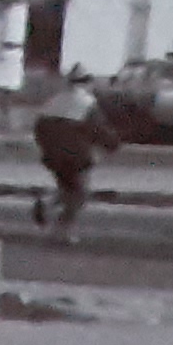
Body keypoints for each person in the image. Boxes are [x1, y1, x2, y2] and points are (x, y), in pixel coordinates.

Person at [27, 68, 114, 232]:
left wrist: (47, 149)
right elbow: (98, 130)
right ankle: (63, 227)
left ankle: (46, 203)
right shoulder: (87, 103)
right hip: (75, 157)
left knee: (66, 187)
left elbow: (39, 128)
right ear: (87, 82)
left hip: (53, 156)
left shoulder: (55, 100)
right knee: (80, 193)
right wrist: (112, 144)